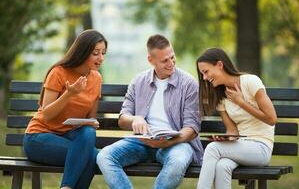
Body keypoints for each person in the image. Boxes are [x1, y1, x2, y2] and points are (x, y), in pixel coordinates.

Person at [97, 34, 204, 189]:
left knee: (178, 162)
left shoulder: (188, 83)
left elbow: (192, 128)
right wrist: (135, 119)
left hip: (175, 143)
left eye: (172, 57)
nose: (171, 63)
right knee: (104, 156)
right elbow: (123, 118)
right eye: (164, 61)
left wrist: (170, 141)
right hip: (142, 142)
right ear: (151, 60)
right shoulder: (139, 81)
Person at [23, 29, 107, 189]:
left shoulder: (96, 78)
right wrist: (69, 94)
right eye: (96, 53)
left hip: (70, 137)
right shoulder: (58, 72)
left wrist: (91, 123)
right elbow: (47, 114)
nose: (101, 58)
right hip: (38, 138)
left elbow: (89, 121)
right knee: (91, 157)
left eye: (103, 53)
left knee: (89, 133)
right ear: (83, 52)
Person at [196, 47, 277, 189]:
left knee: (212, 149)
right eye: (202, 74)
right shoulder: (221, 97)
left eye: (206, 72)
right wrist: (226, 139)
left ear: (220, 65)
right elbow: (232, 131)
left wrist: (241, 102)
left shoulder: (251, 82)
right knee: (222, 166)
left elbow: (272, 119)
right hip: (242, 146)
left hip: (261, 147)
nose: (204, 78)